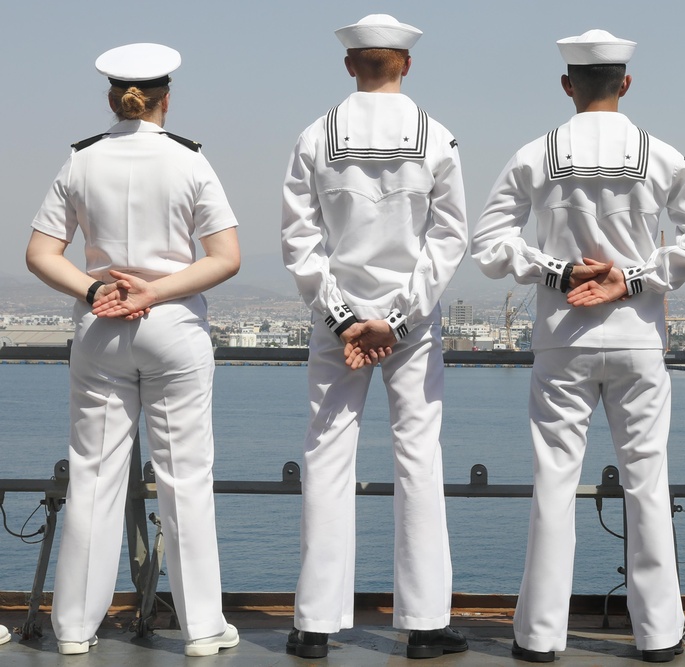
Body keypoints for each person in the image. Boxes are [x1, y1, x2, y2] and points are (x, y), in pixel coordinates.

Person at [472, 29, 685, 664]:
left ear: (567, 85)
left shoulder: (535, 153)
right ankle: (661, 634)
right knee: (647, 483)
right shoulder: (662, 155)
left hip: (562, 339)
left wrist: (554, 272)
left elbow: (490, 245)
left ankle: (538, 636)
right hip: (639, 338)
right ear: (627, 83)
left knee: (554, 484)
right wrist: (632, 277)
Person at [25, 43, 241, 657]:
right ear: (165, 100)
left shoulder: (80, 162)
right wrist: (156, 290)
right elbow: (226, 258)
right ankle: (202, 628)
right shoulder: (191, 163)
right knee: (186, 478)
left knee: (93, 477)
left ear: (113, 98)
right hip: (171, 326)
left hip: (99, 329)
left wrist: (98, 289)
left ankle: (72, 628)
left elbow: (40, 254)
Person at [280, 14, 469, 660]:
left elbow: (298, 239)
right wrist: (401, 318)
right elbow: (450, 240)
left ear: (350, 65)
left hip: (339, 327)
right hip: (408, 328)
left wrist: (342, 316)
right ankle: (423, 624)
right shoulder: (436, 137)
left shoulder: (315, 136)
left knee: (328, 457)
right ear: (406, 64)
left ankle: (313, 624)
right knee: (419, 457)